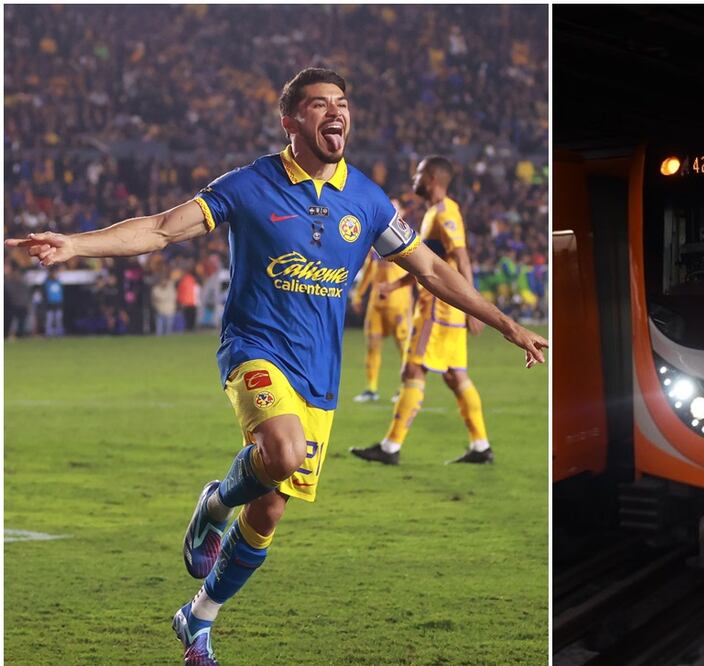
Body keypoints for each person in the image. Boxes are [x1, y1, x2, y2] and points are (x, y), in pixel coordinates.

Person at [5, 67, 546, 666]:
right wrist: (76, 244)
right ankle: (214, 504)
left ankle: (199, 616)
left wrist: (505, 323)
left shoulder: (366, 199)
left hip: (320, 372)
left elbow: (433, 270)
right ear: (291, 122)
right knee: (282, 454)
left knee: (270, 508)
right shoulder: (248, 185)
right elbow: (161, 230)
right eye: (318, 105)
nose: (335, 113)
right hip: (254, 350)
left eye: (342, 103)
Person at [350, 156, 497, 465]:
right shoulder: (435, 213)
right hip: (447, 307)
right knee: (456, 376)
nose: (413, 179)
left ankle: (390, 448)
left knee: (412, 370)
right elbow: (434, 264)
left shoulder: (445, 213)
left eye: (418, 173)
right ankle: (481, 445)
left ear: (431, 178)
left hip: (438, 309)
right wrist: (400, 285)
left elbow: (462, 257)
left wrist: (475, 307)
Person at [350, 243, 414, 403]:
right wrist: (359, 294)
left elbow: (415, 271)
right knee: (372, 346)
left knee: (404, 348)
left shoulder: (405, 241)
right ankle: (371, 389)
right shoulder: (374, 247)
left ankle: (406, 387)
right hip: (376, 304)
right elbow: (368, 271)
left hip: (399, 303)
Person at [152, 270, 178, 336]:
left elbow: (175, 278)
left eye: (165, 280)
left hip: (170, 312)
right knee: (159, 332)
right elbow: (156, 299)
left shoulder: (171, 287)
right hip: (160, 312)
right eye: (162, 281)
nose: (164, 282)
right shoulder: (156, 289)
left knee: (168, 331)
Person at [42, 267, 65, 336]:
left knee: (58, 319)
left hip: (58, 303)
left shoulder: (59, 282)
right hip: (50, 304)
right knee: (49, 319)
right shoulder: (47, 282)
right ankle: (48, 333)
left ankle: (59, 333)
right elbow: (45, 293)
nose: (55, 275)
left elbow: (61, 293)